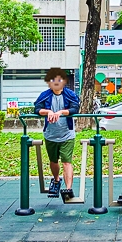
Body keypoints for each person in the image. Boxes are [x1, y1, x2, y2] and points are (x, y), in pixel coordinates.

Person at [34, 67, 81, 201]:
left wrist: (60, 112)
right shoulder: (45, 95)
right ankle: (56, 180)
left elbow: (74, 108)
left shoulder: (70, 94)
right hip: (51, 134)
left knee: (67, 161)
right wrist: (48, 112)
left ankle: (68, 188)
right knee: (53, 160)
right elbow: (37, 108)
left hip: (67, 134)